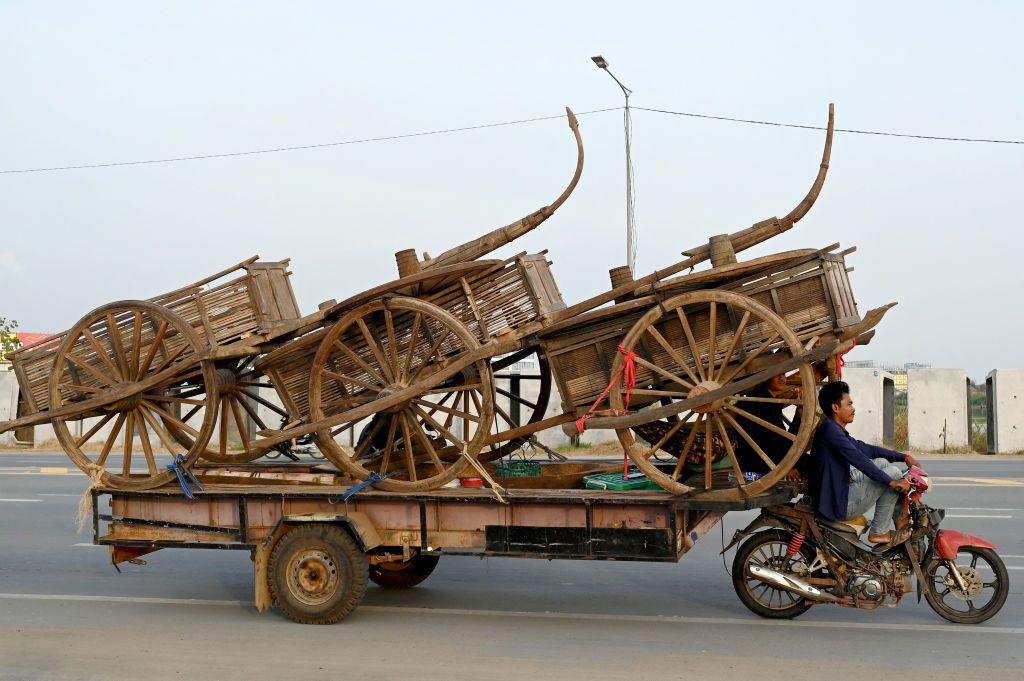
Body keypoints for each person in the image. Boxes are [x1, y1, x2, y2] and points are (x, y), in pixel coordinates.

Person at [808, 380, 920, 544]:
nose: (853, 409)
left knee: (882, 462)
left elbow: (866, 450)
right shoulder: (830, 431)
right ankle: (878, 532)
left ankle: (899, 518)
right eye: (849, 404)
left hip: (838, 489)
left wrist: (904, 457)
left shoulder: (833, 428)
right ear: (835, 408)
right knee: (894, 473)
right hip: (837, 503)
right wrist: (891, 482)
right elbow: (859, 460)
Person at [733, 373, 804, 480]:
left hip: (769, 458)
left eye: (784, 374)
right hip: (758, 463)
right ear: (766, 376)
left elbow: (781, 439)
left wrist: (798, 415)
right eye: (777, 374)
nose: (782, 378)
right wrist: (784, 468)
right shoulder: (758, 402)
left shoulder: (769, 400)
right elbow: (765, 442)